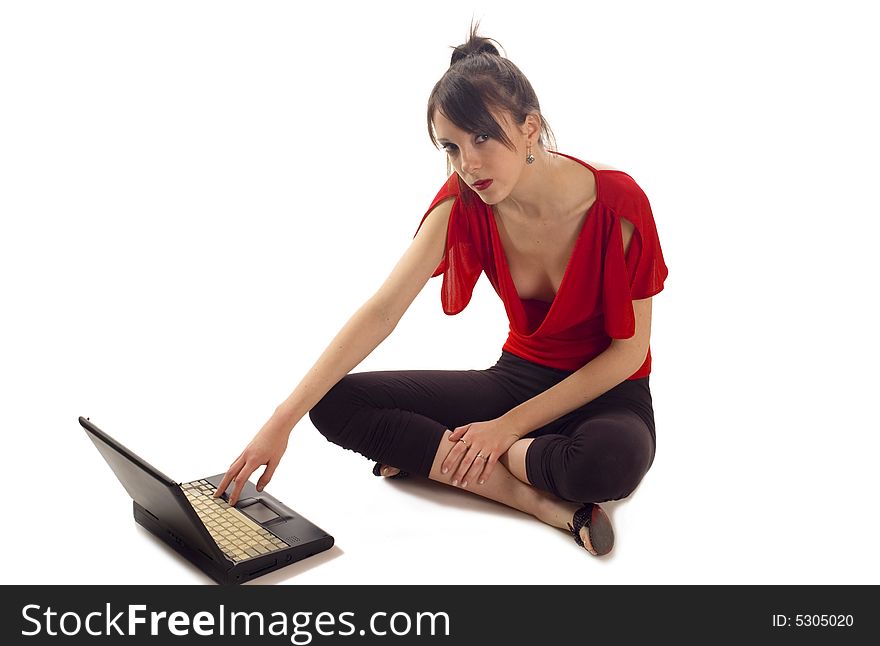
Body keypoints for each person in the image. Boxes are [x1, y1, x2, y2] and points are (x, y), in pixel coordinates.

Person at [214, 24, 668, 557]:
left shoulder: (619, 205)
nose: (467, 163)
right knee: (334, 403)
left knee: (602, 465)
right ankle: (543, 506)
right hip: (519, 378)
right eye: (451, 146)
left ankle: (441, 455)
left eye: (482, 138)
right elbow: (384, 309)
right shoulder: (462, 202)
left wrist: (502, 430)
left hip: (607, 396)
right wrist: (279, 422)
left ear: (530, 129)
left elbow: (629, 353)